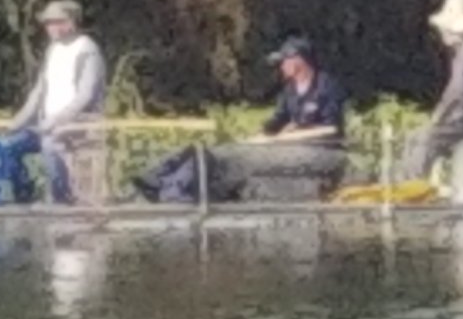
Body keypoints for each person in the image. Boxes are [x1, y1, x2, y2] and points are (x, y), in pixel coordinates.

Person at [138, 33, 348, 204]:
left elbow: (330, 127)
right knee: (221, 151)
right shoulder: (289, 91)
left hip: (320, 149)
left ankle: (188, 190)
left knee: (237, 161)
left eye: (284, 61)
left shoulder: (327, 86)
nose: (281, 66)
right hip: (286, 145)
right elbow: (278, 119)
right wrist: (263, 133)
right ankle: (157, 180)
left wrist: (297, 131)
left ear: (298, 61)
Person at [0, 0, 107, 204]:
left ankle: (62, 199)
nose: (52, 27)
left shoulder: (87, 50)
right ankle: (25, 196)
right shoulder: (53, 50)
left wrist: (57, 120)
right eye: (48, 22)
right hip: (46, 124)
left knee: (50, 145)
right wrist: (16, 122)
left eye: (58, 21)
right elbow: (39, 91)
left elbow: (85, 96)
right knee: (7, 146)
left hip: (80, 124)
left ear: (72, 22)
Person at [400, 0, 463, 182]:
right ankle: (411, 183)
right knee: (415, 137)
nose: (441, 33)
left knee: (425, 139)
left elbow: (458, 90)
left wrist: (439, 115)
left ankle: (415, 185)